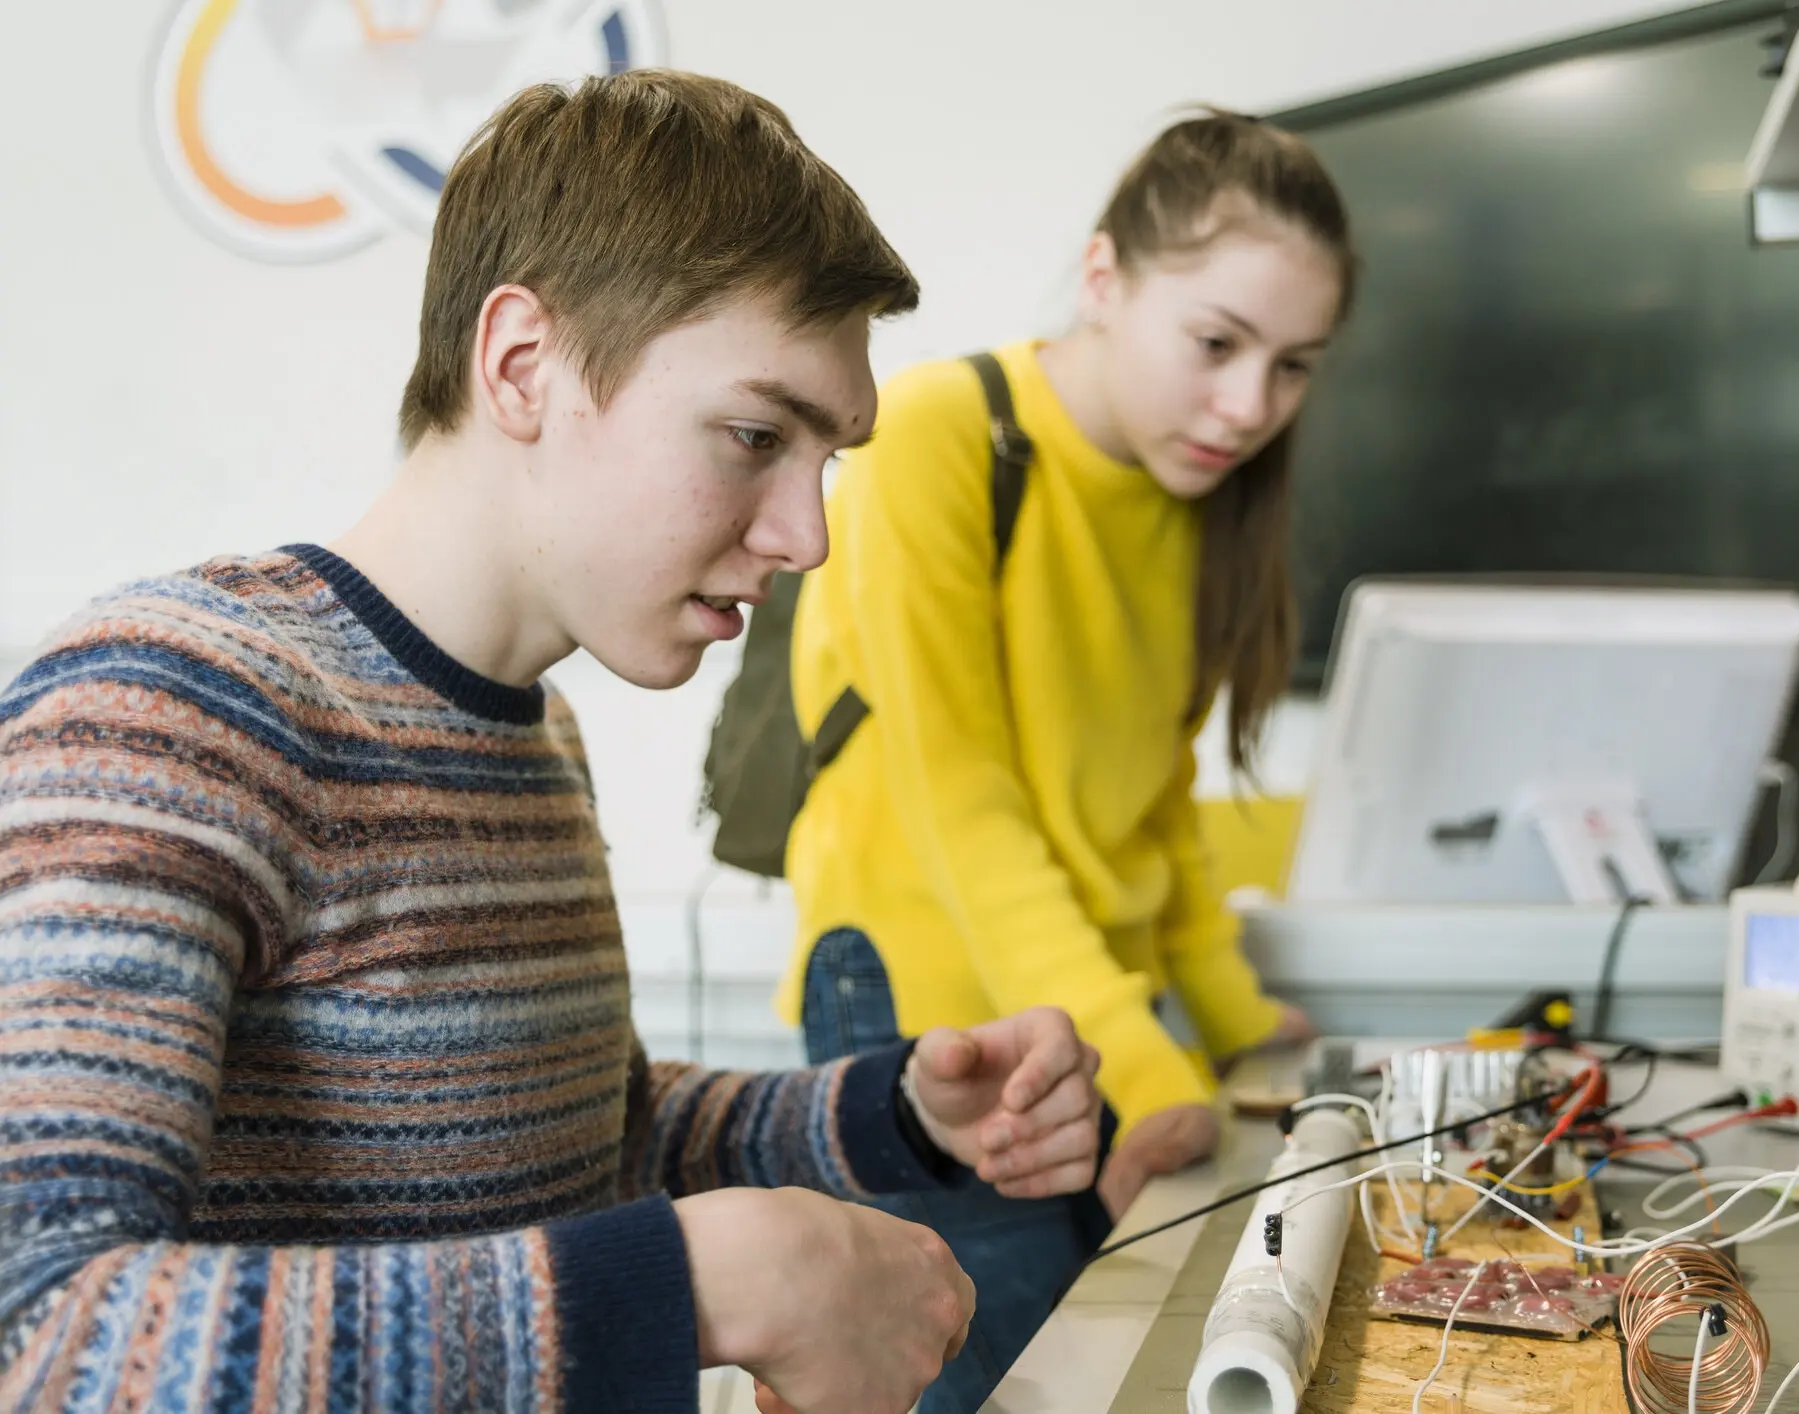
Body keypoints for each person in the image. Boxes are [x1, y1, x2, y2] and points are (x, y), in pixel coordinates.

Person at [0, 71, 1106, 1414]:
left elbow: (591, 1142)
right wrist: (709, 1282)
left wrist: (892, 1116)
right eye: (757, 434)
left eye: (827, 458)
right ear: (523, 362)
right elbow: (44, 1334)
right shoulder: (168, 709)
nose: (806, 535)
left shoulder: (541, 738)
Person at [779, 109, 1359, 1412]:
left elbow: (1153, 807)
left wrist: (1228, 1009)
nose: (1249, 405)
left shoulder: (1190, 497)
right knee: (1043, 1380)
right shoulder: (939, 433)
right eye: (1216, 342)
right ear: (1104, 278)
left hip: (1090, 999)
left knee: (1142, 1359)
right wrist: (1151, 1074)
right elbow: (966, 809)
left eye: (1293, 365)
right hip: (931, 1008)